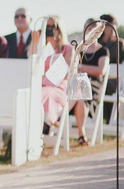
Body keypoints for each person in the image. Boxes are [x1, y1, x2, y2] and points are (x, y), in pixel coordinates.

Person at [33, 15, 87, 143]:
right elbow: (31, 63)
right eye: (47, 27)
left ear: (59, 29)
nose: (49, 30)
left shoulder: (68, 49)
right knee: (32, 92)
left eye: (52, 27)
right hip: (40, 83)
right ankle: (38, 124)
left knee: (44, 94)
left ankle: (45, 122)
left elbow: (67, 73)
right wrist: (35, 42)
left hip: (60, 86)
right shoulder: (41, 48)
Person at [98, 13, 124, 122]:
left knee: (108, 87)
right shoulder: (97, 43)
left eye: (114, 25)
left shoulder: (119, 44)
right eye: (109, 26)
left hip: (113, 80)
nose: (112, 29)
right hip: (98, 77)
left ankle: (109, 119)